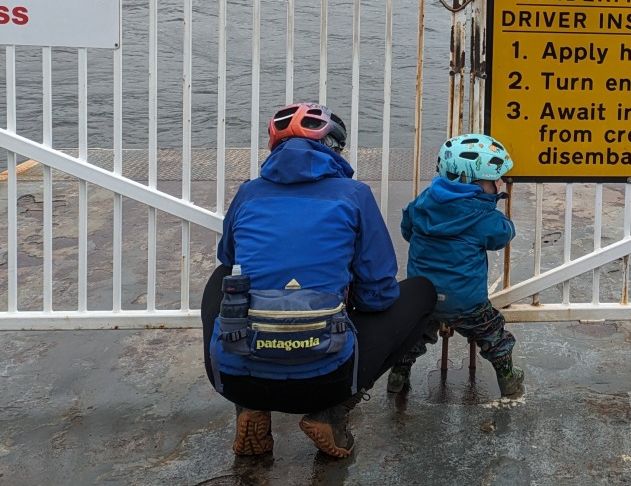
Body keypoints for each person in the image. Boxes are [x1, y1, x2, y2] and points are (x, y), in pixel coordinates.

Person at [201, 102, 437, 459]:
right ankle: (332, 413)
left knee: (221, 279)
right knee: (422, 293)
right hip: (326, 381)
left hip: (239, 379)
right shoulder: (354, 195)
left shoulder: (249, 192)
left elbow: (228, 258)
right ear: (335, 149)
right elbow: (378, 294)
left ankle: (248, 407)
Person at [386, 133, 525, 398]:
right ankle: (508, 379)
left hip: (422, 296)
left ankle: (397, 376)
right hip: (466, 301)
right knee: (493, 334)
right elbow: (502, 237)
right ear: (473, 183)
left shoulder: (424, 202)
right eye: (494, 180)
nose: (499, 184)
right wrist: (499, 216)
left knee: (411, 338)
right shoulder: (483, 216)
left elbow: (407, 229)